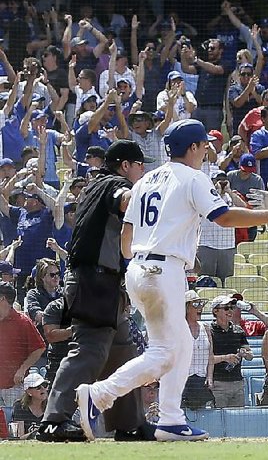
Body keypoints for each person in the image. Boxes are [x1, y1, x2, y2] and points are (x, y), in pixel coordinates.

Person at [74, 119, 268, 442]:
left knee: (182, 344)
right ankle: (99, 394)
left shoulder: (144, 180)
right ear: (193, 147)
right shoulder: (193, 178)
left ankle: (170, 419)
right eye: (204, 145)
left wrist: (160, 248)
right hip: (162, 271)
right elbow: (223, 217)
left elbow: (126, 240)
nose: (206, 151)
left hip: (138, 268)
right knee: (165, 351)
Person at [37, 140, 154, 443]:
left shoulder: (95, 185)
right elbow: (127, 200)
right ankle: (53, 420)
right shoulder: (112, 183)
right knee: (88, 351)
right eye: (141, 165)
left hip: (105, 282)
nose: (143, 172)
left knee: (122, 353)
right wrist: (158, 195)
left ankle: (130, 423)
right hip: (94, 281)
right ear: (126, 165)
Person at [0, 282, 45, 407]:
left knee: (13, 423)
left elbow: (39, 347)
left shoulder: (23, 322)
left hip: (13, 388)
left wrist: (22, 369)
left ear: (2, 298)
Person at [208, 294, 252, 408]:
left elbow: (250, 356)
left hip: (238, 383)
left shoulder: (238, 330)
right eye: (226, 308)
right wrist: (226, 358)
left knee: (237, 422)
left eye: (232, 307)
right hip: (218, 385)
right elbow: (207, 359)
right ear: (215, 311)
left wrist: (245, 353)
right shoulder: (208, 332)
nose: (230, 311)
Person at [182, 290, 214, 411]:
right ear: (186, 308)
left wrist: (209, 377)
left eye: (200, 304)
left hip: (202, 381)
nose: (199, 307)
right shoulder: (178, 328)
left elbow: (210, 357)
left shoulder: (206, 328)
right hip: (183, 381)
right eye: (195, 305)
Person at [12, 372, 50, 439]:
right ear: (29, 392)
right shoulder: (20, 407)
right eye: (38, 387)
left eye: (45, 385)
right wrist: (35, 434)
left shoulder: (51, 406)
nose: (43, 389)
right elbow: (19, 437)